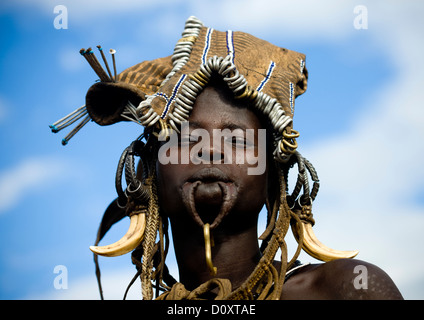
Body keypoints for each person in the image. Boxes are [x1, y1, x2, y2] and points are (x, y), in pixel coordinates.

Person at [50, 16, 403, 300]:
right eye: (186, 137)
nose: (211, 149)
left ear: (272, 173)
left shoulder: (345, 290)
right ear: (149, 176)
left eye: (236, 138)